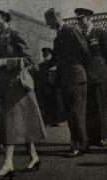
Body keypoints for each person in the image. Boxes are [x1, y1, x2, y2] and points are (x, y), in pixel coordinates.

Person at [0, 3, 46, 179]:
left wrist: (6, 62)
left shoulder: (16, 34)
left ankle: (8, 163)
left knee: (10, 124)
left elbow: (29, 59)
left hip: (19, 87)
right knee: (21, 123)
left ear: (4, 15)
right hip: (6, 88)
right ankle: (34, 157)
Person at [41, 8, 89, 157]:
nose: (48, 24)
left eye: (48, 21)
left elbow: (85, 51)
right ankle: (79, 144)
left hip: (76, 78)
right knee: (70, 113)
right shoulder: (58, 37)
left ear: (56, 17)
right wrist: (38, 66)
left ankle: (79, 146)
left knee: (76, 113)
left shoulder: (71, 31)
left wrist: (76, 67)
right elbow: (54, 58)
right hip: (66, 80)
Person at [75, 8, 107, 147]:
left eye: (81, 19)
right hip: (86, 76)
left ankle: (104, 137)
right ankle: (93, 137)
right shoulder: (80, 35)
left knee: (101, 106)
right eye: (78, 19)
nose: (79, 22)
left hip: (100, 75)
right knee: (90, 107)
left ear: (89, 19)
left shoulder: (100, 34)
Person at [35, 47, 59, 126]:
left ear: (50, 54)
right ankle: (48, 120)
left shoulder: (53, 63)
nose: (45, 55)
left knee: (54, 103)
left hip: (52, 86)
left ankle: (55, 121)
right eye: (44, 54)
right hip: (44, 86)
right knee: (46, 104)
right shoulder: (41, 65)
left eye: (47, 54)